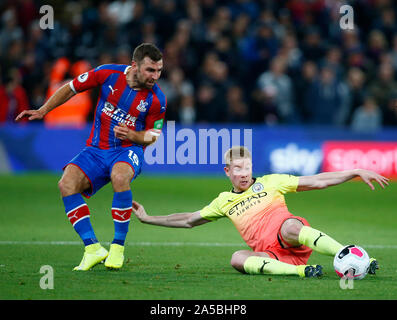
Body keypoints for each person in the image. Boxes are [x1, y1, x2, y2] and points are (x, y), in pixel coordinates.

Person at [15, 43, 166, 271]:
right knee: (66, 184)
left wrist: (133, 134)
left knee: (120, 176)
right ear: (134, 65)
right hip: (96, 149)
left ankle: (117, 247)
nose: (155, 76)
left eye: (159, 71)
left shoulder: (157, 99)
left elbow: (154, 135)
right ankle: (92, 248)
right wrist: (44, 110)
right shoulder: (107, 73)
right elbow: (71, 87)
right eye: (150, 70)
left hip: (127, 150)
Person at [132, 146, 387, 278]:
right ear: (227, 171)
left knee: (289, 226)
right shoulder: (223, 201)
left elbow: (318, 180)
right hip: (272, 256)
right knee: (237, 258)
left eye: (247, 167)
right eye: (237, 168)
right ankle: (300, 272)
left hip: (291, 239)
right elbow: (188, 220)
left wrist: (353, 172)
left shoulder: (272, 181)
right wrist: (147, 218)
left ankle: (350, 255)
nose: (243, 173)